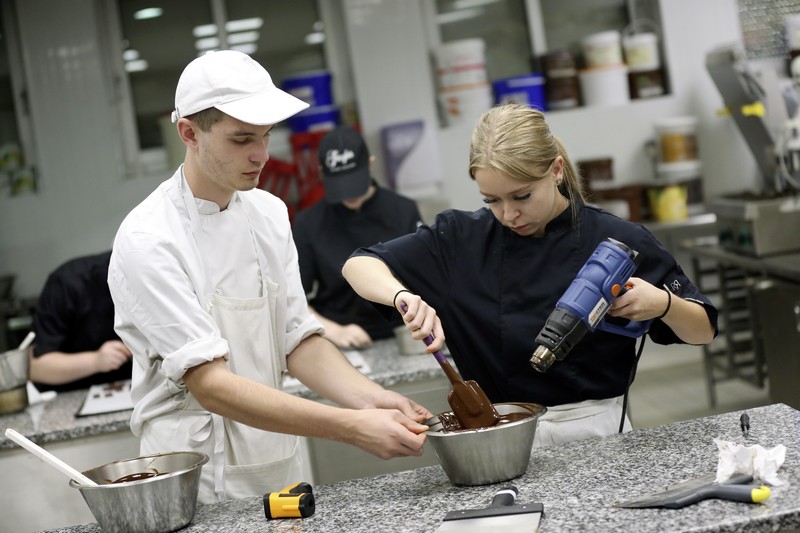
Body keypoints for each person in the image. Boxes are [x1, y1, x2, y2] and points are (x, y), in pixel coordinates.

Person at [107, 50, 431, 504]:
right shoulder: (149, 239)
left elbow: (295, 340)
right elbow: (210, 385)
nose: (261, 155)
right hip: (195, 471)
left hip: (275, 451)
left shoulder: (269, 212)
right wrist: (351, 426)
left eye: (265, 135)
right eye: (241, 139)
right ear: (190, 133)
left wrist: (371, 398)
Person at [342, 103, 718, 447]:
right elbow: (359, 265)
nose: (508, 215)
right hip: (499, 437)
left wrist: (663, 304)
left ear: (556, 170)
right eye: (491, 200)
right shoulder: (458, 239)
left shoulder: (617, 241)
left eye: (521, 196)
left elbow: (703, 330)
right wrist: (402, 296)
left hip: (594, 435)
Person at [293, 126, 423, 349]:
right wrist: (333, 330)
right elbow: (294, 299)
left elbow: (425, 282)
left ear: (370, 163)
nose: (349, 194)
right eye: (340, 184)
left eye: (354, 181)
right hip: (340, 337)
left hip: (403, 333)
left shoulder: (404, 211)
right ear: (322, 172)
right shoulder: (308, 223)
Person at [31, 251, 131, 393]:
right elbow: (36, 367)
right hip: (71, 394)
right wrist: (96, 361)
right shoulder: (67, 282)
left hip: (131, 391)